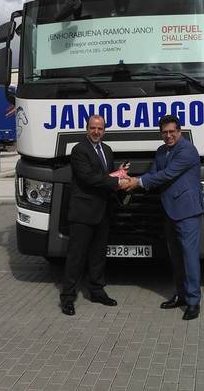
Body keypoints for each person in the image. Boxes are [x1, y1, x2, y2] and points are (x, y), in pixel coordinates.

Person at [126, 115, 204, 320]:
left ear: (180, 131)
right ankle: (180, 295)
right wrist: (127, 180)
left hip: (187, 212)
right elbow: (154, 173)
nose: (168, 136)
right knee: (176, 258)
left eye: (172, 132)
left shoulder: (187, 150)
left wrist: (138, 182)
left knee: (189, 258)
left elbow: (167, 174)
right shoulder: (161, 151)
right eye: (164, 132)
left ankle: (194, 302)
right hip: (169, 210)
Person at [60, 115, 130, 316]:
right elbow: (90, 178)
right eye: (93, 128)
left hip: (102, 212)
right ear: (87, 129)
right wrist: (118, 183)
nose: (96, 132)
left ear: (104, 130)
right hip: (83, 213)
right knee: (76, 257)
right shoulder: (79, 150)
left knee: (98, 256)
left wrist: (119, 173)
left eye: (100, 128)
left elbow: (104, 176)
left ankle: (97, 291)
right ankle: (67, 298)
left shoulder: (107, 150)